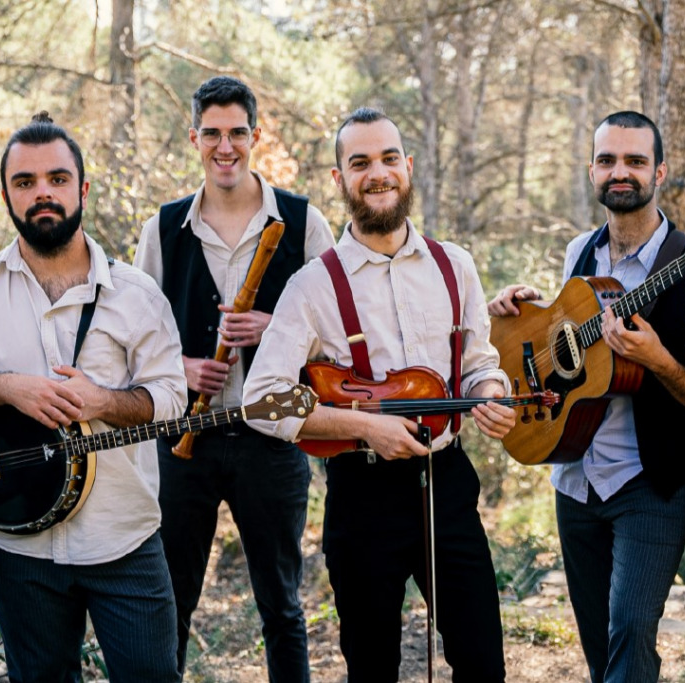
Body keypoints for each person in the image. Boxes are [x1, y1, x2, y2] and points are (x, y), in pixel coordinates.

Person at [242, 107, 514, 682]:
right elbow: (262, 401)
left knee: (483, 664)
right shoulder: (312, 285)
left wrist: (490, 392)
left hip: (447, 484)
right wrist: (365, 426)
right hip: (361, 495)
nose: (378, 173)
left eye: (389, 159)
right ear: (339, 178)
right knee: (372, 669)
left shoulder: (454, 266)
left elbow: (478, 364)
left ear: (407, 166)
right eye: (360, 162)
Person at [0, 113, 186, 681]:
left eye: (57, 178)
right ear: (7, 196)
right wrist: (9, 387)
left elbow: (172, 398)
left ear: (82, 189)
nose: (42, 192)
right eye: (25, 182)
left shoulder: (137, 294)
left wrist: (103, 401)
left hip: (123, 539)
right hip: (19, 547)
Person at [487, 111, 685, 682]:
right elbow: (561, 340)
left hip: (649, 480)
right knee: (600, 647)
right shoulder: (580, 250)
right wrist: (520, 313)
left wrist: (658, 361)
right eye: (607, 160)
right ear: (592, 170)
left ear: (659, 172)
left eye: (635, 161)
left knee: (630, 629)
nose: (620, 172)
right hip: (574, 478)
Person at [134, 76, 334, 681]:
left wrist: (277, 328)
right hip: (183, 444)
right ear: (194, 137)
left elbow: (340, 335)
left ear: (256, 136)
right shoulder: (161, 229)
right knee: (170, 606)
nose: (226, 147)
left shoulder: (302, 222)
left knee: (282, 607)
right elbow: (133, 342)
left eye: (237, 133)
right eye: (212, 134)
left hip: (272, 439)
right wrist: (180, 368)